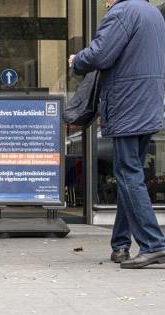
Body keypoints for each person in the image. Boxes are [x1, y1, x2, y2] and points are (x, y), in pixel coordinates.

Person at [69, 0, 165, 269]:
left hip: (128, 104)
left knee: (127, 174)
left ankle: (154, 245)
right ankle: (121, 244)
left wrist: (78, 60)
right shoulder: (153, 13)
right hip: (148, 104)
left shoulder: (123, 12)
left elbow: (101, 55)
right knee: (129, 173)